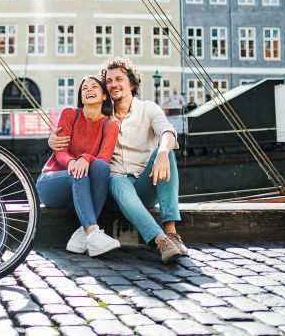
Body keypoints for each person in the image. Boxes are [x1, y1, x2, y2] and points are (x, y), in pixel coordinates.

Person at [49, 57, 187, 264]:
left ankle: (172, 232)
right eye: (109, 81)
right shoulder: (101, 116)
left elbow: (167, 131)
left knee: (166, 152)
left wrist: (162, 152)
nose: (113, 84)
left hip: (145, 183)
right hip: (115, 189)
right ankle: (160, 241)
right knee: (117, 180)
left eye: (119, 79)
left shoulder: (148, 109)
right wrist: (52, 140)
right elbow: (77, 132)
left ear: (132, 83)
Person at [37, 75, 121, 257]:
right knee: (79, 172)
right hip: (52, 183)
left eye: (94, 87)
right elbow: (60, 151)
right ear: (81, 97)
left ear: (104, 96)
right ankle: (93, 232)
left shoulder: (110, 125)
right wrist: (73, 161)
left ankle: (82, 236)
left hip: (81, 188)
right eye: (84, 88)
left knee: (101, 167)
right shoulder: (70, 114)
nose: (89, 90)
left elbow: (104, 158)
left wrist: (85, 158)